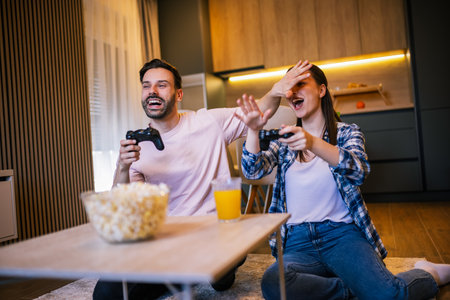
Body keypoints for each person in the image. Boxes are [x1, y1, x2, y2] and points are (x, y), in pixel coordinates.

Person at [236, 60, 450, 300]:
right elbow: (252, 171)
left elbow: (359, 170)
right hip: (297, 242)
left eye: (300, 84)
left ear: (321, 90)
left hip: (341, 235)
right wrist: (253, 131)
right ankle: (355, 290)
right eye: (289, 87)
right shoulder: (285, 141)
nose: (292, 92)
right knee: (274, 285)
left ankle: (428, 272)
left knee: (389, 296)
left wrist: (313, 143)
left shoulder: (348, 132)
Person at [93, 58, 278, 300]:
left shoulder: (209, 122)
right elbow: (123, 206)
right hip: (168, 241)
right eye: (146, 86)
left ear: (178, 94)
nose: (152, 92)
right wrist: (123, 166)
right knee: (106, 294)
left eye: (161, 85)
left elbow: (260, 109)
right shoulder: (136, 146)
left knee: (224, 271)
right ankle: (183, 275)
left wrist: (278, 89)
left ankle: (204, 270)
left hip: (215, 233)